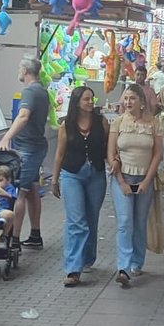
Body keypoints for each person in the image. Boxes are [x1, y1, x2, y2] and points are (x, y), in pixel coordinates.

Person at [52, 86, 108, 287]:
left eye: (92, 99)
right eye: (86, 99)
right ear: (76, 102)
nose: (90, 102)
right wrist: (54, 179)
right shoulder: (66, 125)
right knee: (77, 221)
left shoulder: (102, 122)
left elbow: (109, 147)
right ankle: (73, 269)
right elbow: (59, 153)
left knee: (91, 219)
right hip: (72, 174)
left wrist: (115, 163)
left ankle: (87, 257)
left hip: (96, 174)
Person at [109, 83, 162, 287]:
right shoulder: (118, 122)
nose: (128, 102)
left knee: (139, 222)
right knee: (124, 221)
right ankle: (123, 266)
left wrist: (147, 181)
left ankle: (136, 261)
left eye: (132, 98)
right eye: (126, 98)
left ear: (141, 102)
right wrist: (121, 181)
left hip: (144, 179)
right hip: (122, 178)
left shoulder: (153, 123)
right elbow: (111, 152)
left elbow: (157, 154)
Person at [0, 58, 49, 249]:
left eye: (19, 68)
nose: (18, 71)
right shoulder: (42, 91)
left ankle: (14, 239)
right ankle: (35, 235)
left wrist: (5, 138)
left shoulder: (29, 91)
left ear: (25, 70)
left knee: (19, 192)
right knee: (32, 188)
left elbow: (24, 116)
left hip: (27, 148)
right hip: (37, 146)